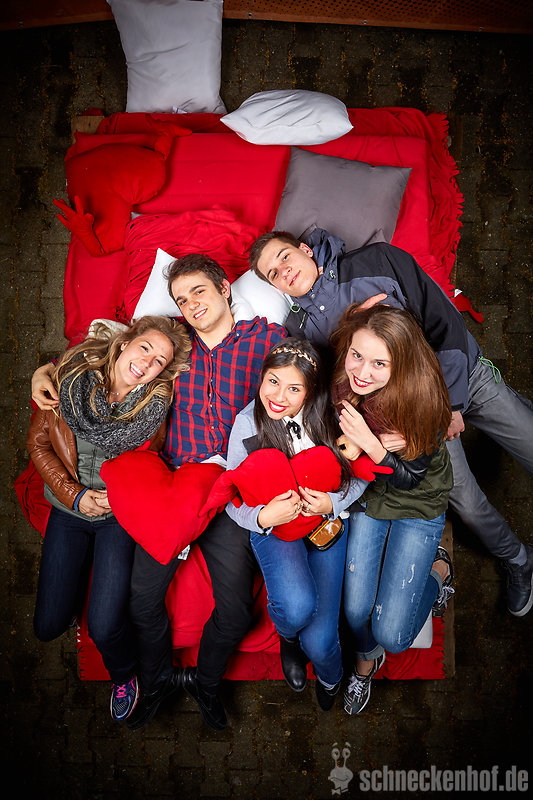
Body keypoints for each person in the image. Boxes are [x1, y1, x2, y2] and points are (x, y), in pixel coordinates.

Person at [31, 253, 285, 731]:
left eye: (199, 292)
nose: (191, 305)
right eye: (182, 299)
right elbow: (99, 351)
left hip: (228, 491)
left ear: (225, 288)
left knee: (235, 612)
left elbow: (308, 373)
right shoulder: (171, 347)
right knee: (141, 599)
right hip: (172, 485)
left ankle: (205, 684)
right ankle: (155, 681)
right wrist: (43, 372)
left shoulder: (266, 340)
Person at [249, 228, 533, 617]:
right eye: (273, 274)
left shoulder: (376, 259)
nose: (283, 271)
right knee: (466, 500)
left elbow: (443, 318)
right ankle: (517, 558)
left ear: (304, 249)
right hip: (411, 418)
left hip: (463, 376)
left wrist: (451, 405)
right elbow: (339, 391)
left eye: (284, 257)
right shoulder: (300, 330)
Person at [27, 315, 191, 723]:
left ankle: (124, 675)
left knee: (103, 626)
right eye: (145, 348)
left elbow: (152, 470)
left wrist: (116, 502)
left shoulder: (154, 408)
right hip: (68, 508)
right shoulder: (69, 378)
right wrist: (75, 496)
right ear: (124, 343)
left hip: (118, 516)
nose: (147, 362)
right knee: (47, 626)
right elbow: (39, 444)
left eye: (159, 361)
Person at [225, 339, 366, 711]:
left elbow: (362, 473)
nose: (278, 396)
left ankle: (332, 678)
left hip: (324, 524)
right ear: (261, 377)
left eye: (294, 388)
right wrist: (262, 517)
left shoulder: (333, 417)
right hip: (276, 529)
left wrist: (332, 502)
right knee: (297, 606)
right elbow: (231, 495)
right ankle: (288, 638)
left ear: (311, 391)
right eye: (273, 381)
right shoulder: (247, 423)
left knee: (321, 642)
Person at [331, 304, 455, 714]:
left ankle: (438, 572)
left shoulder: (423, 398)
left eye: (379, 363)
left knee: (395, 635)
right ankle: (366, 661)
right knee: (354, 609)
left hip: (417, 501)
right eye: (357, 355)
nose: (362, 372)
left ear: (400, 364)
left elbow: (410, 479)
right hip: (370, 494)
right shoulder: (344, 377)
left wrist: (372, 445)